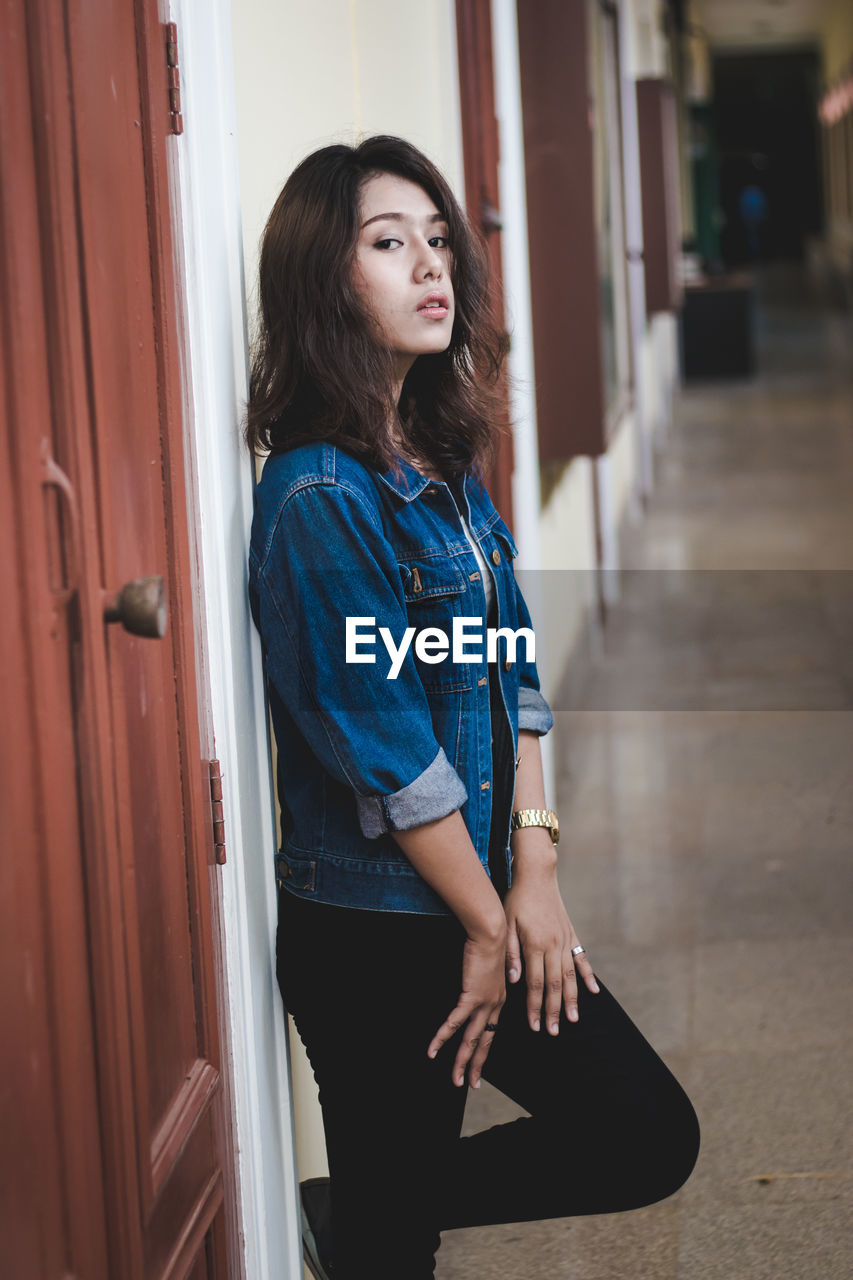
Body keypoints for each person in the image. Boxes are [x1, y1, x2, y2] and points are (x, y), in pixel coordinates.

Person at [247, 135, 699, 1280]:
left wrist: (534, 872)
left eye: (437, 240)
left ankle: (350, 1205)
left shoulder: (441, 464)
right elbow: (391, 753)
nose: (428, 265)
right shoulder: (314, 494)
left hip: (480, 891)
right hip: (379, 930)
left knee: (644, 1132)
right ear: (322, 281)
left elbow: (510, 667)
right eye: (388, 244)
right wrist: (491, 927)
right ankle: (366, 1211)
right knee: (399, 1253)